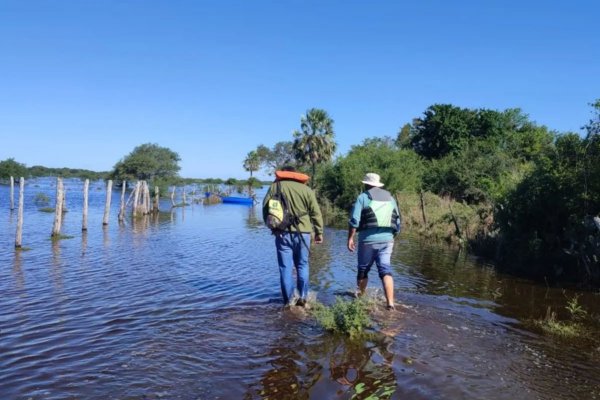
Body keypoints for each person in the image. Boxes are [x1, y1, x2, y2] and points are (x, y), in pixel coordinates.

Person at [262, 166, 324, 307]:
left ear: (283, 174)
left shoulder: (275, 187)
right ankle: (303, 297)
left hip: (282, 233)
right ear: (295, 174)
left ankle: (288, 301)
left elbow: (265, 209)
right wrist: (319, 232)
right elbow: (316, 213)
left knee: (285, 268)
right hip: (304, 233)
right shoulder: (306, 190)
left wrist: (272, 227)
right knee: (302, 265)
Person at [347, 173, 401, 310]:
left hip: (368, 240)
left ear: (366, 184)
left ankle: (361, 299)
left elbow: (354, 220)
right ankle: (390, 304)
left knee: (363, 270)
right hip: (388, 240)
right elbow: (398, 221)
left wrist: (350, 238)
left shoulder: (363, 197)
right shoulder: (391, 198)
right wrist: (392, 236)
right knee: (385, 270)